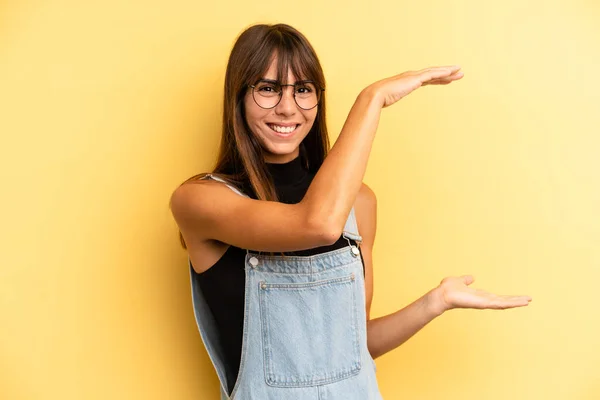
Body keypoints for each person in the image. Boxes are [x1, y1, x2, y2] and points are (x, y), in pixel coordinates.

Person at [170, 23, 532, 400]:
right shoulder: (200, 200)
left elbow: (355, 347)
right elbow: (317, 225)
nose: (288, 107)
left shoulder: (358, 203)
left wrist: (435, 302)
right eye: (268, 89)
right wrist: (371, 100)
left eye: (304, 90)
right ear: (238, 97)